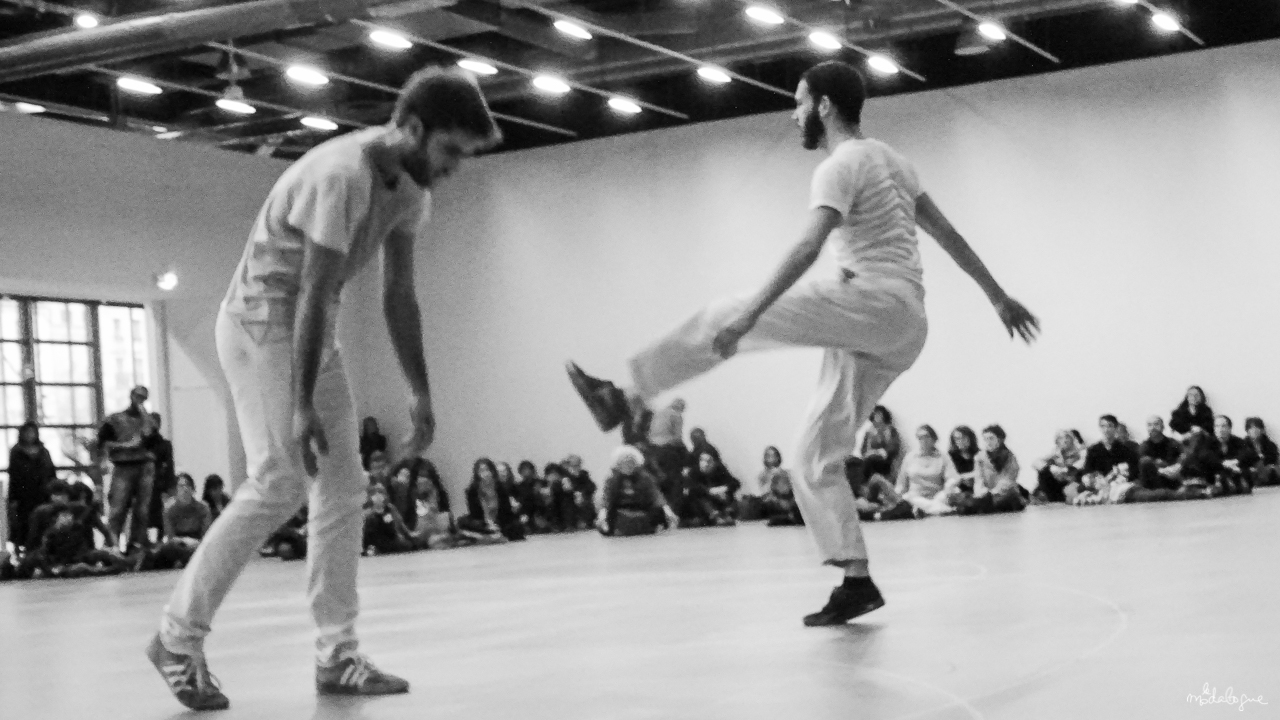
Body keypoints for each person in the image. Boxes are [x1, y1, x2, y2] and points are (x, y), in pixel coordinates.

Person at [568, 60, 1038, 626]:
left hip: (873, 303)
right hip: (905, 324)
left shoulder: (840, 165)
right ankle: (856, 581)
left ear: (823, 105)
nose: (793, 115)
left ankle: (624, 396)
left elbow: (808, 246)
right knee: (812, 457)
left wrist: (750, 317)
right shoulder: (894, 161)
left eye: (798, 102)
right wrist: (998, 297)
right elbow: (947, 235)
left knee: (725, 313)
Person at [147, 67, 502, 710]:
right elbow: (312, 291)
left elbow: (398, 296)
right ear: (413, 129)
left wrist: (420, 391)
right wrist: (303, 402)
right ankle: (177, 638)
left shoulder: (412, 191)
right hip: (259, 325)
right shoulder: (340, 175)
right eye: (450, 151)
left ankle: (337, 654)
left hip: (311, 332)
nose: (454, 167)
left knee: (343, 484)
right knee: (280, 479)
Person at [99, 386, 158, 553]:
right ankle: (112, 545)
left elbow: (151, 437)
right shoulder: (115, 419)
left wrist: (145, 416)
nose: (140, 400)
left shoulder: (147, 420)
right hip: (123, 466)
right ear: (131, 396)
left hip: (144, 466)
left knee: (142, 510)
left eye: (143, 397)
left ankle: (136, 544)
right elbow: (103, 442)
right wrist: (125, 446)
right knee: (117, 508)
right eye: (138, 396)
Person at [596, 446, 678, 536]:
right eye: (624, 462)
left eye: (631, 462)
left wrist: (667, 510)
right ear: (618, 464)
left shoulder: (645, 478)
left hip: (641, 508)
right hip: (619, 510)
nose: (628, 465)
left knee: (658, 511)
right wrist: (602, 514)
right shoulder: (611, 479)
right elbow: (607, 498)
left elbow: (656, 495)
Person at [6, 421, 56, 554]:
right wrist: (13, 497)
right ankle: (26, 548)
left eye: (32, 432)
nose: (30, 435)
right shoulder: (16, 452)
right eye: (27, 432)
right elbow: (14, 476)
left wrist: (53, 490)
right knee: (23, 522)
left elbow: (51, 472)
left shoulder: (44, 451)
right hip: (24, 494)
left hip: (42, 493)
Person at [151, 473, 213, 571]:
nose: (185, 490)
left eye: (188, 485)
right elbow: (170, 536)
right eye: (181, 486)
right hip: (177, 545)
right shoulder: (169, 509)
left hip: (198, 545)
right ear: (176, 490)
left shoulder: (203, 508)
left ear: (193, 489)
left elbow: (206, 535)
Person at [459, 458, 525, 541]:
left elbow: (506, 511)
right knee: (463, 522)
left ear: (493, 471)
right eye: (481, 471)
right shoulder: (472, 490)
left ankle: (488, 536)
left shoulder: (500, 487)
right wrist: (488, 524)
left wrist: (497, 524)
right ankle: (489, 535)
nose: (485, 473)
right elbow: (474, 513)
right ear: (477, 473)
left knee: (516, 526)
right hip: (483, 523)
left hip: (500, 522)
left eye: (487, 470)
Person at [897, 425, 953, 516]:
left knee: (952, 494)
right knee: (907, 500)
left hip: (936, 496)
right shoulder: (910, 457)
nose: (923, 440)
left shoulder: (943, 457)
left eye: (926, 437)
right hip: (915, 497)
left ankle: (925, 510)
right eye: (920, 438)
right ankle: (936, 510)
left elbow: (951, 478)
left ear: (934, 438)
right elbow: (901, 483)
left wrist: (946, 492)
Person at [973, 425, 1025, 513]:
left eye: (991, 438)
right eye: (985, 439)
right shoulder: (979, 457)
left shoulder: (1010, 457)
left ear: (1000, 439)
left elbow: (1008, 480)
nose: (988, 442)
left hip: (1005, 494)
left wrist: (994, 492)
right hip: (987, 494)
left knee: (1005, 502)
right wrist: (981, 491)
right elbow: (978, 478)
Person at [681, 451, 741, 527]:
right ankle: (716, 516)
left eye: (708, 461)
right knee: (700, 496)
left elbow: (735, 483)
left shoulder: (719, 470)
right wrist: (710, 491)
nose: (704, 464)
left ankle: (727, 514)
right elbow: (690, 489)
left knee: (727, 492)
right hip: (702, 508)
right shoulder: (694, 472)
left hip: (719, 500)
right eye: (701, 460)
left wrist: (722, 489)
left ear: (714, 462)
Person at [146, 413, 177, 540]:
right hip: (145, 486)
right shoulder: (142, 444)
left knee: (161, 519)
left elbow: (169, 468)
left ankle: (160, 544)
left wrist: (169, 489)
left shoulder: (165, 445)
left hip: (159, 487)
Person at [362, 485, 417, 555]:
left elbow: (397, 526)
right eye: (375, 494)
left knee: (407, 545)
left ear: (385, 496)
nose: (378, 497)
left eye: (380, 493)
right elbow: (367, 534)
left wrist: (409, 534)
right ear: (370, 497)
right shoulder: (367, 514)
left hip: (390, 540)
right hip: (374, 542)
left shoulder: (389, 509)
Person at [1032, 429, 1085, 503]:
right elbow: (1036, 463)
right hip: (1057, 482)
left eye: (1067, 437)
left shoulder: (1080, 452)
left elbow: (1080, 465)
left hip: (1072, 481)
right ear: (1057, 442)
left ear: (1072, 440)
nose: (1065, 440)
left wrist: (1065, 470)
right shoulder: (1055, 454)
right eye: (1061, 438)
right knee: (1043, 473)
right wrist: (1052, 468)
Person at [1210, 415, 1256, 495]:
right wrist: (1223, 464)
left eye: (1223, 426)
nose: (1220, 429)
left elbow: (1249, 453)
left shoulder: (1238, 441)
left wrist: (1236, 461)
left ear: (1229, 428)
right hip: (1216, 473)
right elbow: (1205, 456)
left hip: (1236, 471)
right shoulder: (1207, 442)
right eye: (1217, 426)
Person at [759, 446, 804, 525]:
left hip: (787, 498)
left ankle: (791, 515)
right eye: (769, 456)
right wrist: (771, 478)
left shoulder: (785, 473)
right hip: (773, 500)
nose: (772, 459)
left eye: (774, 456)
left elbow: (791, 489)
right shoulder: (763, 475)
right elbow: (765, 493)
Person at [1137, 416, 1183, 491]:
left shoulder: (1173, 443)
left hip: (1171, 479)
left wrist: (1176, 467)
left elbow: (1182, 458)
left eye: (1156, 424)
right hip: (1153, 483)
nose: (1153, 427)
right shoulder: (1143, 446)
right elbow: (1145, 468)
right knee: (1145, 461)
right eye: (1149, 425)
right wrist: (1162, 470)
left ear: (1163, 427)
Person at [859, 406, 902, 481]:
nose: (877, 417)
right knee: (852, 462)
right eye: (875, 414)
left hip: (884, 461)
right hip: (869, 458)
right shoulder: (869, 431)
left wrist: (879, 452)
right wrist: (868, 453)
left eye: (879, 414)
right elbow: (863, 449)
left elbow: (894, 447)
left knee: (870, 462)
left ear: (884, 415)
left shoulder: (890, 430)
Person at [1243, 417, 1280, 487]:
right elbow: (1243, 460)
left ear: (1262, 430)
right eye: (1251, 428)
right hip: (1251, 472)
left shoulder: (1270, 444)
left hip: (1268, 471)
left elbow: (1273, 459)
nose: (1254, 430)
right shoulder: (1243, 444)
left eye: (1257, 427)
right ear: (1247, 431)